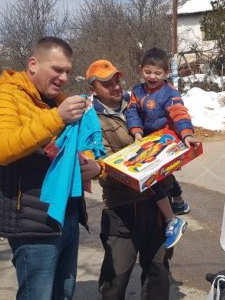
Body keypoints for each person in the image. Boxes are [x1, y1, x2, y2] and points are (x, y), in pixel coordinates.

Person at [0, 36, 102, 300]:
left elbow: (76, 148)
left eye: (68, 72)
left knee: (64, 293)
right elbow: (1, 149)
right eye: (57, 69)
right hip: (32, 224)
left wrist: (92, 165)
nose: (63, 78)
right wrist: (57, 117)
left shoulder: (56, 99)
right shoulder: (8, 94)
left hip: (67, 216)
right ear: (33, 64)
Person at [85, 59, 172, 300]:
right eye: (106, 83)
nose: (115, 86)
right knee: (116, 279)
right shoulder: (90, 119)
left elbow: (166, 125)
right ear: (93, 88)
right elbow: (103, 162)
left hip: (156, 204)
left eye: (116, 79)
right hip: (122, 207)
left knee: (158, 273)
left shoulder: (140, 101)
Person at [125, 47, 201, 249]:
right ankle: (179, 200)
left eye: (158, 73)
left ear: (166, 73)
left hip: (167, 139)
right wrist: (137, 132)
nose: (152, 76)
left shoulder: (169, 92)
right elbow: (132, 112)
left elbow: (179, 113)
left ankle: (172, 220)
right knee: (165, 176)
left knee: (152, 181)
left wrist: (186, 133)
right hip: (149, 139)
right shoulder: (137, 91)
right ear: (141, 69)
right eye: (148, 72)